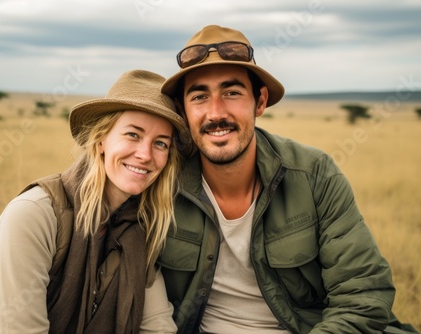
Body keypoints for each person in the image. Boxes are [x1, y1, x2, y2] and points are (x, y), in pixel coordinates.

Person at [157, 25, 397, 333]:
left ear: (259, 102)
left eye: (232, 93)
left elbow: (363, 294)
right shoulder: (160, 181)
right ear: (182, 110)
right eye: (199, 96)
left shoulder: (315, 174)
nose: (216, 113)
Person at [0, 69, 188, 334]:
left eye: (161, 144)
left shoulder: (141, 231)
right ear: (102, 139)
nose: (145, 154)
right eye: (133, 135)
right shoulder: (34, 215)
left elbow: (158, 327)